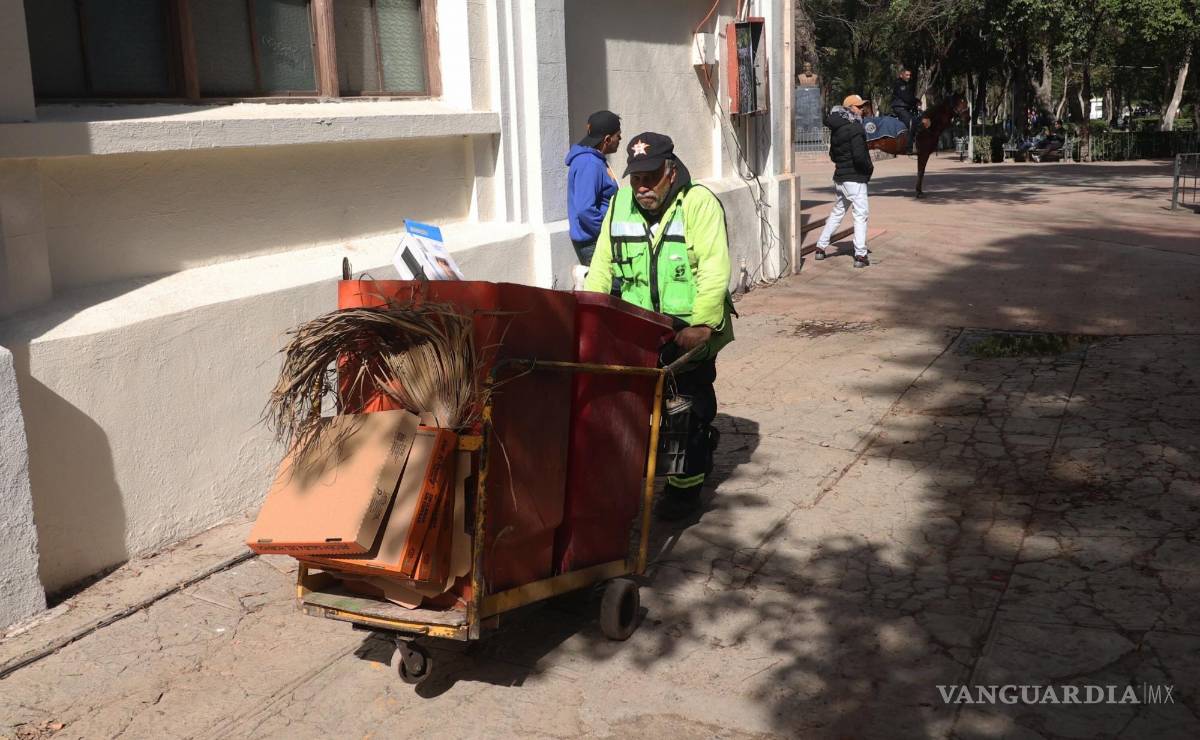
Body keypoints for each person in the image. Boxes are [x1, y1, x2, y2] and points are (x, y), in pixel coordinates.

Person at [584, 132, 735, 521]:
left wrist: (702, 326)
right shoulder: (620, 203)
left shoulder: (698, 203)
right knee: (630, 406)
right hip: (637, 326)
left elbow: (715, 269)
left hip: (687, 326)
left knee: (684, 408)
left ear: (671, 171)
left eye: (651, 177)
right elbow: (602, 265)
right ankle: (639, 472)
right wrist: (591, 313)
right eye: (636, 178)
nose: (642, 187)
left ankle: (684, 490)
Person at [814, 95, 873, 269]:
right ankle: (861, 255)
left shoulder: (838, 128)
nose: (861, 109)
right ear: (850, 108)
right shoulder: (855, 127)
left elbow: (833, 154)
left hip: (840, 177)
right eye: (858, 106)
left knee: (838, 212)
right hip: (854, 178)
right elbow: (860, 156)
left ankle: (820, 247)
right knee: (861, 215)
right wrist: (869, 169)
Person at [565, 110, 621, 271]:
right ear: (607, 139)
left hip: (597, 239)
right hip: (594, 242)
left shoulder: (593, 160)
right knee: (609, 289)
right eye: (618, 135)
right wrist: (608, 233)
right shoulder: (589, 163)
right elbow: (585, 209)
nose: (620, 139)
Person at [890, 68, 919, 154]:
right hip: (900, 107)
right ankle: (907, 148)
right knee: (909, 123)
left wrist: (916, 101)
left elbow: (909, 97)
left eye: (909, 75)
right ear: (901, 75)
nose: (908, 77)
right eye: (906, 75)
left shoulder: (906, 84)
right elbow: (905, 97)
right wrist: (915, 101)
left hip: (905, 108)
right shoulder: (899, 84)